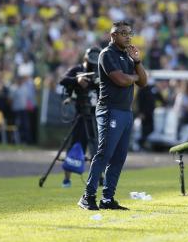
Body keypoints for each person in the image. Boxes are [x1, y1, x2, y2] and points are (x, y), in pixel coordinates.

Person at [78, 21, 147, 210]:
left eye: (129, 33)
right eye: (123, 33)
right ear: (113, 35)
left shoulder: (127, 56)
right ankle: (87, 196)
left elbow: (144, 82)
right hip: (110, 110)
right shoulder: (107, 54)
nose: (127, 36)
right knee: (104, 154)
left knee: (118, 158)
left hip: (125, 112)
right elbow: (121, 80)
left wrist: (138, 62)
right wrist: (134, 77)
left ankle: (107, 198)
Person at [59, 47, 101, 188]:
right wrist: (77, 80)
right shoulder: (77, 69)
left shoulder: (101, 71)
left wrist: (97, 82)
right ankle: (66, 179)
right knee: (74, 147)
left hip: (96, 116)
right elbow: (63, 80)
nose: (93, 65)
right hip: (81, 116)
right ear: (85, 59)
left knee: (96, 148)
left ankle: (98, 178)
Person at [136, 77, 165, 150]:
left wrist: (164, 103)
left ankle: (141, 142)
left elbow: (161, 99)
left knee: (151, 129)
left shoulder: (152, 89)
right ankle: (140, 143)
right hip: (144, 114)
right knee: (144, 129)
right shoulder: (142, 89)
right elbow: (139, 102)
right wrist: (140, 113)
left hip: (151, 113)